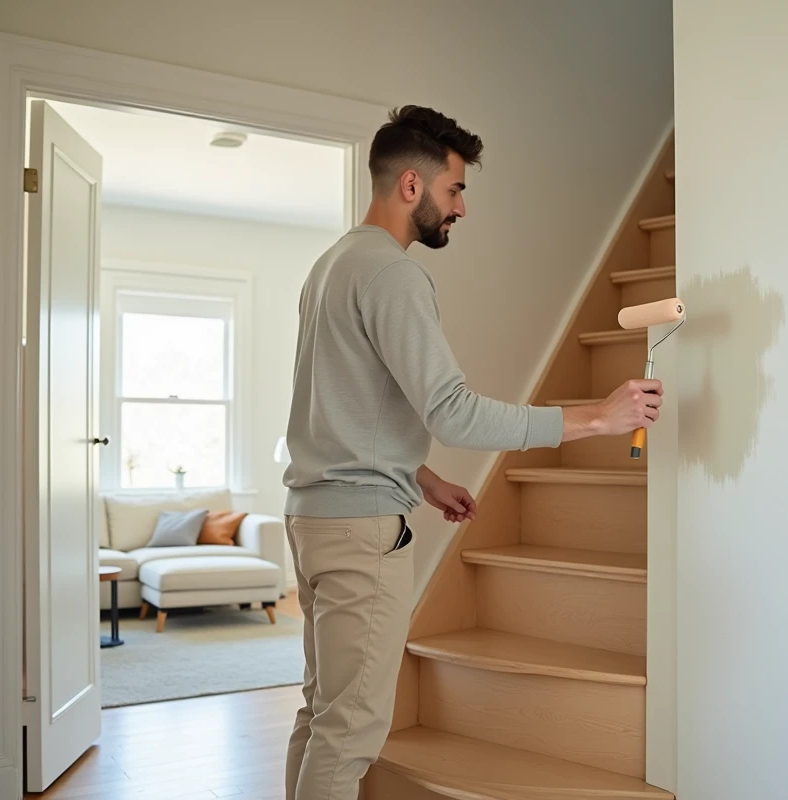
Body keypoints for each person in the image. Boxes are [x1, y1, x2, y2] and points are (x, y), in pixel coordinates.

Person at [281, 104, 663, 800]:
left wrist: (421, 478)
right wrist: (595, 418)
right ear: (411, 184)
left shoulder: (331, 265)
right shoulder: (392, 275)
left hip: (313, 519)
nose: (461, 207)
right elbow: (453, 411)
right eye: (454, 189)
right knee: (351, 730)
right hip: (360, 532)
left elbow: (339, 406)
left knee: (323, 712)